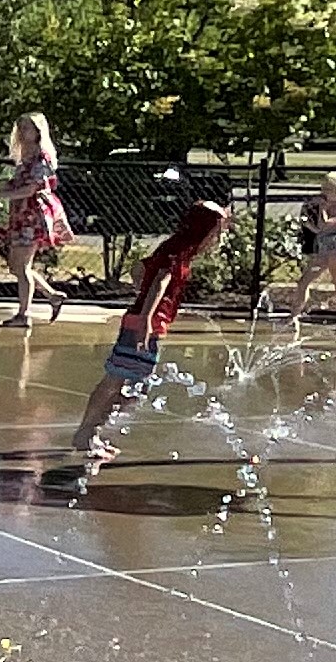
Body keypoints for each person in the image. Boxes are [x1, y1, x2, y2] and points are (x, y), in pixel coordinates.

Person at [59, 200, 230, 475]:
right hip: (144, 324)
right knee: (119, 384)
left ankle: (90, 433)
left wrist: (144, 299)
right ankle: (86, 434)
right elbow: (160, 279)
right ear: (204, 229)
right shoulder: (178, 251)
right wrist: (148, 317)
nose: (218, 237)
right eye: (217, 231)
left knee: (127, 386)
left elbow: (139, 269)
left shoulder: (177, 248)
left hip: (145, 322)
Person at [262, 171, 336, 333]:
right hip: (323, 251)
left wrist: (322, 208)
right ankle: (294, 316)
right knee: (303, 282)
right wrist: (307, 223)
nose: (324, 194)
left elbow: (326, 225)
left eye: (328, 191)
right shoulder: (328, 206)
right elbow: (319, 231)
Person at [0, 115, 71, 325]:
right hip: (21, 214)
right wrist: (5, 187)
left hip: (32, 215)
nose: (22, 132)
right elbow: (20, 182)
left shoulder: (41, 158)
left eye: (27, 128)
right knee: (17, 266)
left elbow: (32, 188)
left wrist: (4, 195)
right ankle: (52, 296)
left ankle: (24, 314)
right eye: (20, 128)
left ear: (38, 131)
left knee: (21, 266)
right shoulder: (26, 156)